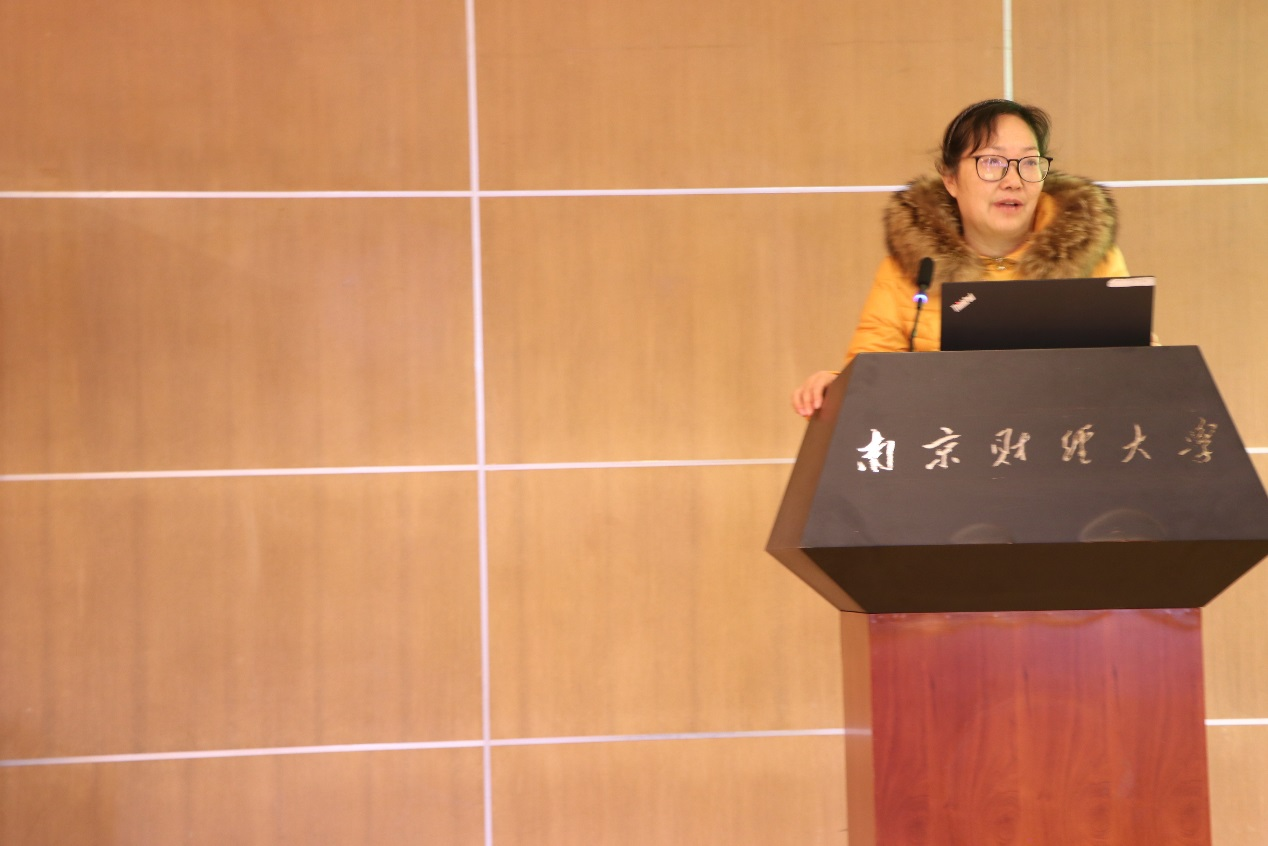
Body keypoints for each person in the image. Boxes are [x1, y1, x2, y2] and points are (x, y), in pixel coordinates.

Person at [791, 99, 1128, 417]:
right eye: (992, 162)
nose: (1013, 181)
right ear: (950, 178)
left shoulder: (1090, 260)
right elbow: (870, 378)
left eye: (1029, 163)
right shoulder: (914, 269)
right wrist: (834, 388)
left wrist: (1142, 358)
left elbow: (1123, 383)